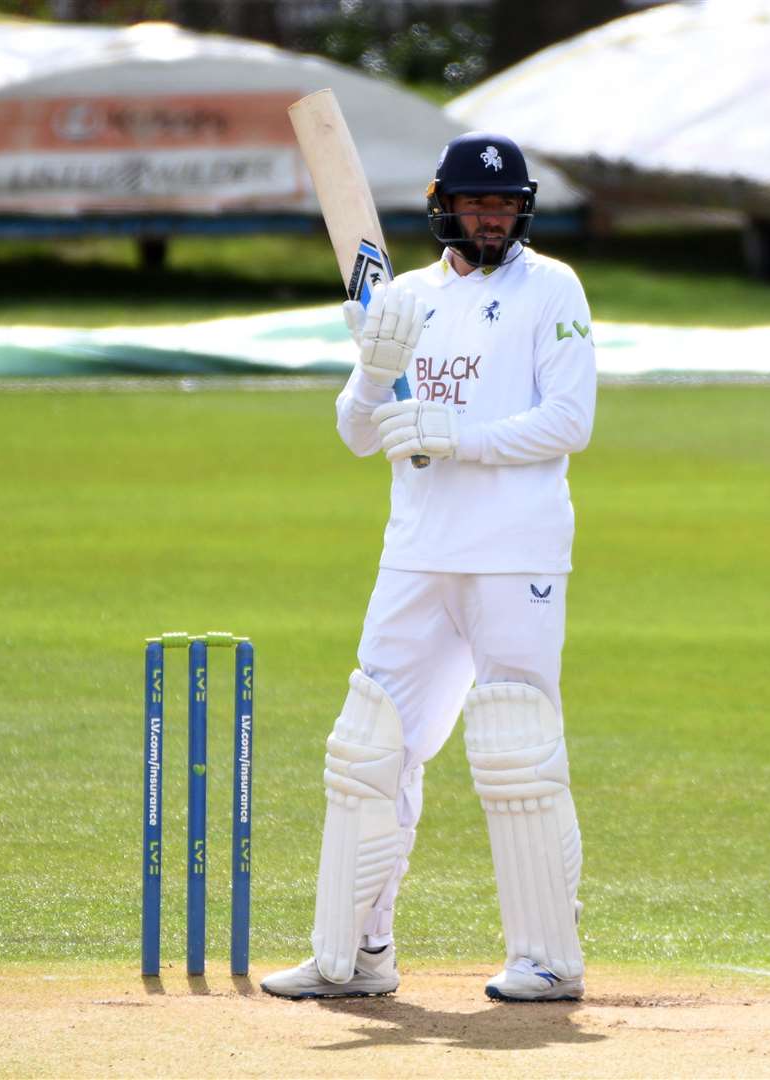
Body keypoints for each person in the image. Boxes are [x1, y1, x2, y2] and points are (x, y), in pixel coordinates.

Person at [261, 132, 597, 1003]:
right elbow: (355, 431)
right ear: (444, 204)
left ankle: (547, 959)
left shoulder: (550, 287)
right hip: (415, 556)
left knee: (516, 744)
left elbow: (570, 420)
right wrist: (374, 377)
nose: (492, 218)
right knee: (370, 748)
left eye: (505, 204)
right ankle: (356, 956)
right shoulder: (404, 296)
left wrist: (458, 437)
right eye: (477, 203)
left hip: (515, 554)